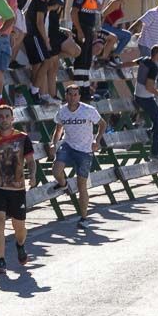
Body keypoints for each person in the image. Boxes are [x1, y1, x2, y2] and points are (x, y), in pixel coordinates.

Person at [0, 105, 36, 272]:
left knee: (19, 227)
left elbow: (31, 161)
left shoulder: (23, 138)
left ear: (12, 119)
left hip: (17, 189)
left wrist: (33, 175)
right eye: (1, 116)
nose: (4, 119)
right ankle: (1, 261)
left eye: (7, 116)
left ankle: (20, 244)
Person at [49, 83, 104, 230]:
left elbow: (102, 124)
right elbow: (58, 129)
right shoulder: (62, 111)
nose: (73, 97)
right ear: (66, 96)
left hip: (85, 150)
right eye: (70, 94)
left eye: (75, 94)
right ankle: (63, 185)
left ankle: (84, 217)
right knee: (56, 170)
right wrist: (54, 143)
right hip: (68, 146)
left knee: (82, 185)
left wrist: (96, 140)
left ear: (79, 96)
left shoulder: (88, 110)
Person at [134, 45, 158, 161]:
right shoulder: (154, 68)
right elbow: (149, 87)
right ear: (157, 54)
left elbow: (131, 63)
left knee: (157, 119)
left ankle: (150, 132)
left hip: (138, 96)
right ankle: (154, 153)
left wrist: (117, 66)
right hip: (145, 98)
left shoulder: (144, 59)